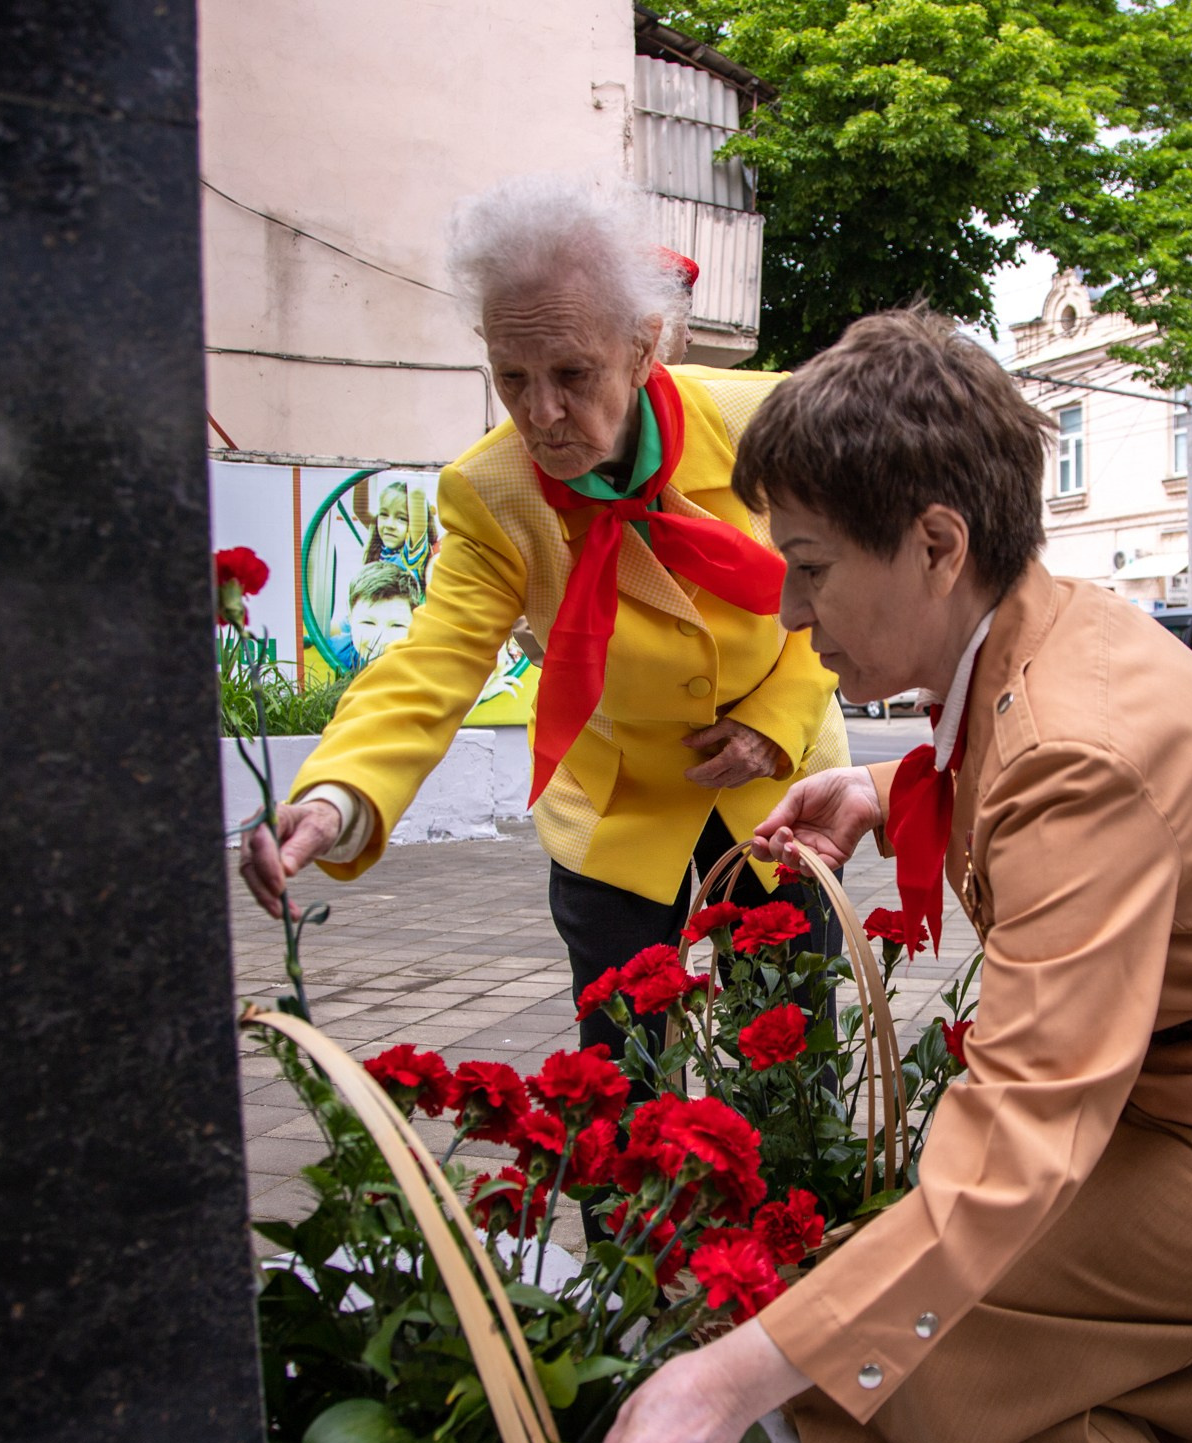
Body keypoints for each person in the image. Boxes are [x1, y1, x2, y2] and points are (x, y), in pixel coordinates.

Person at [576, 309, 1192, 1443]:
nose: (787, 609)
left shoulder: (1068, 747)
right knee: (959, 1335)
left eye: (812, 566)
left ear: (936, 542)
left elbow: (1016, 1142)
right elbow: (1030, 752)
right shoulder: (1044, 626)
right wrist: (883, 787)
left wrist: (720, 1382)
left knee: (932, 1357)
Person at [240, 174, 847, 1065]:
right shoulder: (491, 492)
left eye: (572, 374)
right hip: (617, 801)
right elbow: (434, 658)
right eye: (511, 377)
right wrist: (339, 796)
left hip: (781, 784)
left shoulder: (768, 420)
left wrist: (775, 719)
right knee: (619, 1079)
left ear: (644, 348)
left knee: (791, 1065)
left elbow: (841, 588)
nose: (540, 414)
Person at [342, 558, 422, 673]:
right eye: (368, 623)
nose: (382, 640)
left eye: (397, 625)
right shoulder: (338, 654)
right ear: (350, 619)